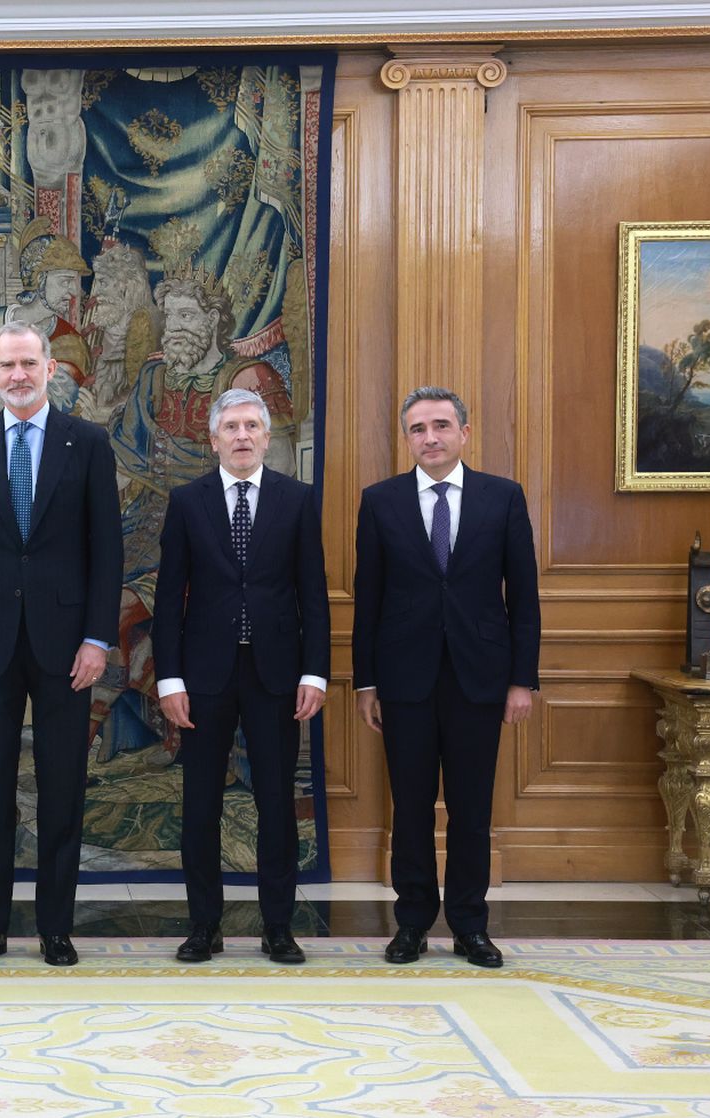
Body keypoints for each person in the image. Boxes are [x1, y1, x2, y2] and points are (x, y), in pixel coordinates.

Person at [0, 321, 122, 967]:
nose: (18, 374)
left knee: (62, 787)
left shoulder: (88, 442)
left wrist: (99, 637)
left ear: (50, 369)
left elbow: (107, 551)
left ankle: (55, 928)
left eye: (29, 363)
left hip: (68, 647)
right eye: (7, 364)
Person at [353, 386, 540, 969]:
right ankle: (410, 924)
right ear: (406, 437)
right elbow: (368, 599)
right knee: (408, 809)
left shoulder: (502, 498)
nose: (429, 437)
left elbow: (525, 597)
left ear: (464, 431)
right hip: (404, 681)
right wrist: (365, 682)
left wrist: (521, 680)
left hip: (480, 680)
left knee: (471, 810)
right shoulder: (379, 501)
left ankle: (469, 926)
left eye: (439, 425)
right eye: (417, 428)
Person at [153, 388, 330, 966]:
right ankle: (204, 925)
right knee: (200, 804)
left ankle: (278, 927)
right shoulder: (187, 501)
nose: (242, 435)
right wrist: (169, 680)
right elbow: (168, 600)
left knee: (276, 802)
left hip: (277, 675)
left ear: (267, 436)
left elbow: (313, 595)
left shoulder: (297, 501)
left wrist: (316, 672)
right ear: (214, 438)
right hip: (203, 677)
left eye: (252, 425)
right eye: (231, 426)